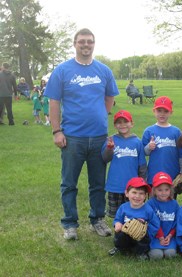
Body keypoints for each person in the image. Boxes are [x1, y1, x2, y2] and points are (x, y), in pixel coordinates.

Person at [44, 28, 119, 240]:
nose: (86, 45)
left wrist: (98, 115)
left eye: (90, 42)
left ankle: (97, 219)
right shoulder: (62, 71)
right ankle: (70, 223)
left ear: (94, 44)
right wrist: (56, 131)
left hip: (98, 138)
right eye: (82, 42)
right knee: (69, 183)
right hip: (72, 138)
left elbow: (109, 97)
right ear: (75, 44)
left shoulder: (103, 71)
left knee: (98, 183)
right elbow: (54, 102)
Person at [101, 110, 147, 218]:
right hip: (115, 184)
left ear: (132, 123)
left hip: (132, 186)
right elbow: (105, 159)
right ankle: (118, 233)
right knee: (117, 214)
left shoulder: (137, 142)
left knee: (132, 212)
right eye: (119, 122)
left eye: (125, 121)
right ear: (115, 125)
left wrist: (143, 182)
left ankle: (131, 232)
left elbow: (142, 165)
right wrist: (109, 148)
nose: (122, 125)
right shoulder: (111, 140)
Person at [111, 177, 160, 260]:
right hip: (126, 234)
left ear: (145, 196)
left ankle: (141, 252)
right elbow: (118, 219)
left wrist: (146, 228)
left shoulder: (148, 210)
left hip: (140, 236)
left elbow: (155, 224)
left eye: (141, 193)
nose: (137, 196)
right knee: (121, 235)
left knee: (143, 239)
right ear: (126, 193)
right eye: (134, 192)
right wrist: (117, 224)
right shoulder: (123, 208)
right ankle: (120, 248)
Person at [142, 96, 182, 188]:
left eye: (166, 111)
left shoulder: (176, 131)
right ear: (154, 111)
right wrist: (149, 147)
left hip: (172, 173)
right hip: (154, 173)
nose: (162, 114)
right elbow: (143, 153)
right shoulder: (149, 131)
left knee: (170, 199)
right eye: (159, 111)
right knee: (153, 200)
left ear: (171, 112)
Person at [146, 172, 179, 260]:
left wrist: (170, 236)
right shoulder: (150, 203)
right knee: (157, 255)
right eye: (160, 190)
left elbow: (177, 222)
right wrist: (160, 237)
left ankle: (169, 246)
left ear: (170, 190)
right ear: (154, 191)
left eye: (166, 189)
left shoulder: (174, 204)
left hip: (169, 237)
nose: (163, 193)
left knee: (170, 254)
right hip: (155, 237)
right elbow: (151, 222)